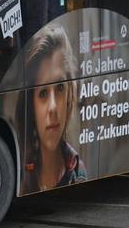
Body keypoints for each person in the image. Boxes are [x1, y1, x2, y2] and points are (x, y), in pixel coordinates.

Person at [21, 24, 87, 193]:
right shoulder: (21, 178)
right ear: (32, 106)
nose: (53, 107)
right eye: (43, 93)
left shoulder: (78, 171)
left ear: (69, 95)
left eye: (59, 88)